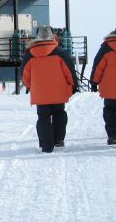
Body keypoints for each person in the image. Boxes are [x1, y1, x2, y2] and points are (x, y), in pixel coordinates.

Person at [21, 25, 79, 153]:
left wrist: (30, 86)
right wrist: (74, 85)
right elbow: (69, 71)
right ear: (52, 36)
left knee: (43, 117)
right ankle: (58, 140)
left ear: (38, 37)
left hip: (40, 94)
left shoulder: (30, 54)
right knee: (59, 114)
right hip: (58, 92)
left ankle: (46, 146)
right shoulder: (60, 52)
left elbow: (25, 75)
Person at [90, 27, 116, 145]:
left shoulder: (106, 47)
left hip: (110, 89)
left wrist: (94, 82)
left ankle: (112, 136)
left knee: (110, 111)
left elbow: (98, 67)